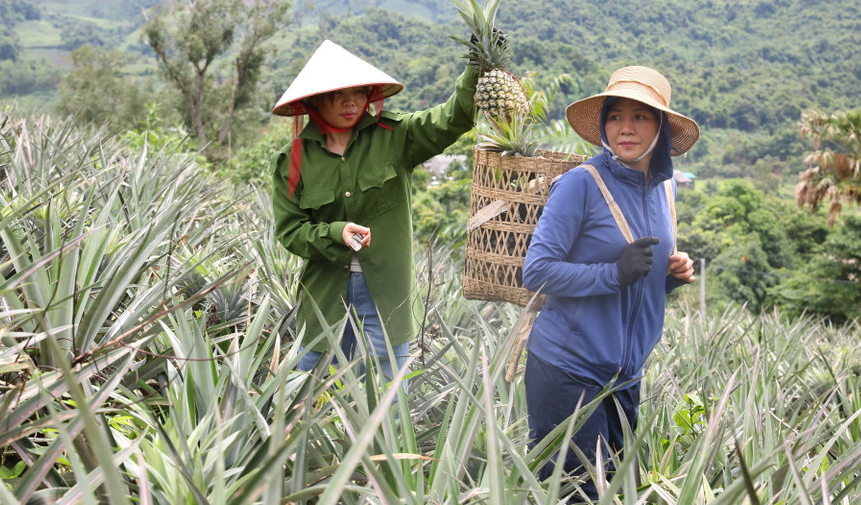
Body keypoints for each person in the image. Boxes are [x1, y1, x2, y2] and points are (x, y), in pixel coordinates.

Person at [521, 65, 700, 500]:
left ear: (660, 125)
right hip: (568, 367)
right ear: (602, 124)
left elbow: (639, 282)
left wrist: (670, 278)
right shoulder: (580, 184)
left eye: (641, 116)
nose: (626, 127)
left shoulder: (663, 190)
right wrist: (613, 273)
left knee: (616, 491)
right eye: (616, 115)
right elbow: (537, 272)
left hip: (624, 376)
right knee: (575, 495)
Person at [271, 39, 477, 390]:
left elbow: (453, 117)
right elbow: (290, 230)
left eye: (359, 91)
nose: (351, 102)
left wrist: (476, 69)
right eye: (338, 94)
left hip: (386, 292)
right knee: (304, 391)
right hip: (324, 295)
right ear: (316, 100)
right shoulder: (294, 159)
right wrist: (335, 232)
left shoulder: (396, 136)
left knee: (388, 399)